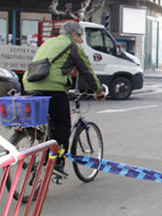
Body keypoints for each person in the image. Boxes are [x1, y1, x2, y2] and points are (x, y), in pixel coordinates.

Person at [23, 21, 103, 178]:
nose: (81, 41)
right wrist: (98, 91)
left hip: (30, 83)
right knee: (63, 125)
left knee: (48, 124)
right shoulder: (73, 47)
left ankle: (43, 145)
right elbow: (86, 71)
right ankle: (58, 162)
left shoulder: (49, 42)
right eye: (81, 37)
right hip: (52, 86)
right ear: (74, 34)